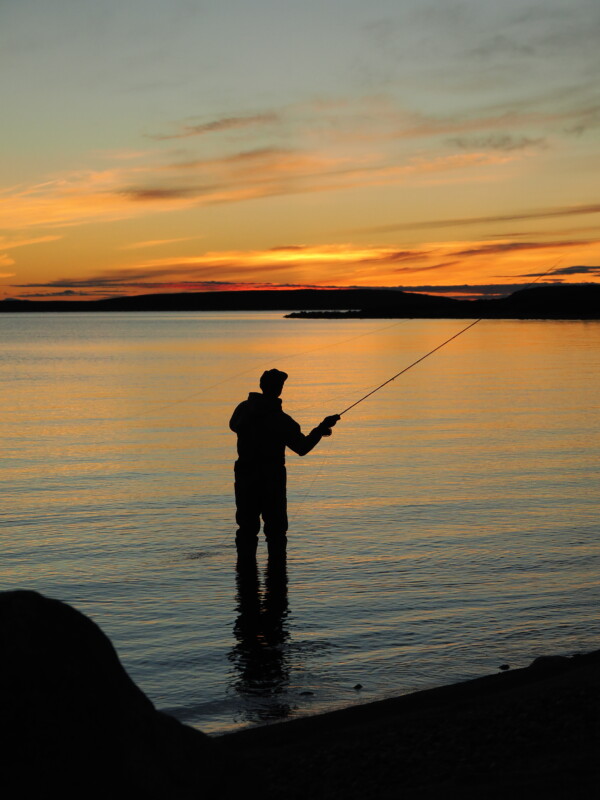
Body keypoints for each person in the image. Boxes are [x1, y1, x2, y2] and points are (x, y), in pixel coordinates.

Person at [230, 369, 340, 558]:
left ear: (261, 386)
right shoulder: (281, 420)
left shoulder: (243, 409)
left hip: (245, 476)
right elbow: (302, 447)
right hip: (271, 479)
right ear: (279, 389)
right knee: (276, 532)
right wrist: (321, 428)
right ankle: (276, 579)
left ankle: (245, 578)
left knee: (247, 528)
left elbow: (233, 426)